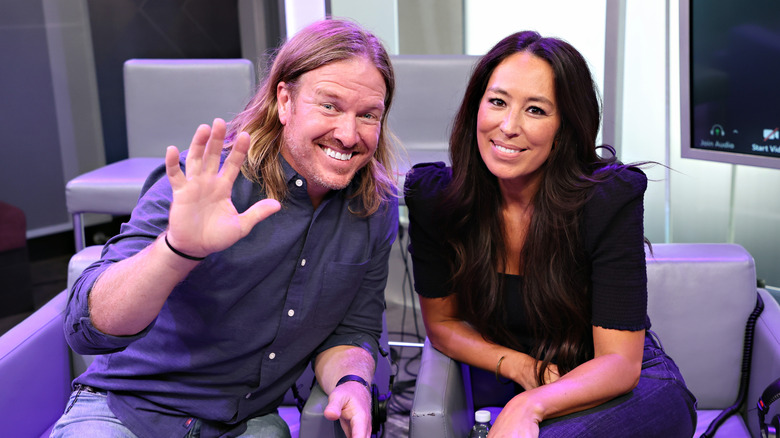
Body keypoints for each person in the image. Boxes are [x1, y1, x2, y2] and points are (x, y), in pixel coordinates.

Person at [53, 19, 399, 438]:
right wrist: (176, 250)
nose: (348, 134)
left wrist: (353, 383)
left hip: (245, 422)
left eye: (368, 115)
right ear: (285, 101)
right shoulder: (204, 183)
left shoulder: (374, 207)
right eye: (329, 105)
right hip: (127, 409)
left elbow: (352, 328)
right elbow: (87, 327)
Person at [404, 31, 697, 437]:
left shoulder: (607, 200)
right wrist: (518, 366)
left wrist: (530, 404)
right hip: (522, 383)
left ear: (564, 128)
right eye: (498, 102)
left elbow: (620, 363)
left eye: (536, 110)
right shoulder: (436, 199)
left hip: (623, 389)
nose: (508, 126)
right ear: (476, 107)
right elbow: (443, 325)